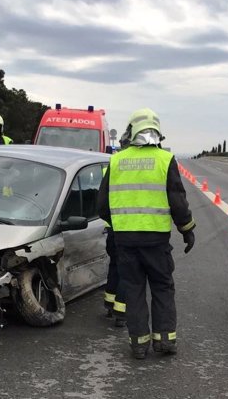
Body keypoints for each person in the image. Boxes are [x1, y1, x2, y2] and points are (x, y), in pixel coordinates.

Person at [98, 108, 196, 359]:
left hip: (126, 241)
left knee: (134, 290)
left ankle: (139, 344)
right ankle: (164, 341)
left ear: (132, 131)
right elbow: (178, 202)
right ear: (157, 132)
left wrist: (120, 224)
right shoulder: (165, 160)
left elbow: (101, 206)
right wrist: (187, 230)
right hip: (156, 242)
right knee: (162, 287)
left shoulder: (117, 160)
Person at [102, 127, 132, 328]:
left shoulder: (112, 164)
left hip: (112, 228)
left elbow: (102, 201)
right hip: (126, 229)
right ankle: (121, 313)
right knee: (127, 271)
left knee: (114, 267)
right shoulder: (131, 169)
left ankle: (109, 303)